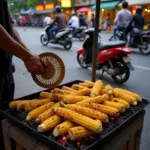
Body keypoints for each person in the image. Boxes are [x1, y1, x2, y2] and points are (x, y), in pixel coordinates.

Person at [0, 1, 45, 149]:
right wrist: (26, 57)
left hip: (5, 70)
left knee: (4, 115)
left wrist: (29, 54)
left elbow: (9, 28)